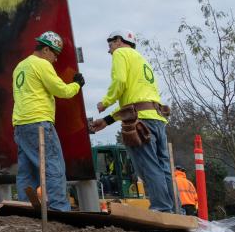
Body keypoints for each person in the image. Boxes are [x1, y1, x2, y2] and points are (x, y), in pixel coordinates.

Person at [89, 29, 174, 213]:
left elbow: (119, 81)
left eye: (110, 44)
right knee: (163, 169)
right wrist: (107, 120)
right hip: (157, 120)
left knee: (149, 167)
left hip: (141, 123)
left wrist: (106, 101)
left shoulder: (121, 54)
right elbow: (136, 103)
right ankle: (175, 211)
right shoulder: (141, 61)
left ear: (119, 41)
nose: (109, 50)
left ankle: (161, 211)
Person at [11, 31, 84, 212]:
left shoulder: (20, 66)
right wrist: (77, 85)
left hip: (21, 125)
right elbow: (61, 91)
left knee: (26, 171)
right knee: (53, 166)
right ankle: (59, 209)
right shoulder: (42, 64)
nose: (56, 59)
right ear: (45, 50)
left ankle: (24, 208)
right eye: (54, 54)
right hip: (39, 123)